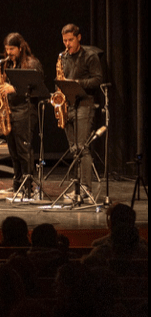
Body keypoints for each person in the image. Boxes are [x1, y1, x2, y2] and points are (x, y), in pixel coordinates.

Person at [58, 24, 103, 196]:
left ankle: (86, 187)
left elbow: (97, 79)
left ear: (79, 38)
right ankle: (77, 187)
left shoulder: (90, 56)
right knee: (73, 148)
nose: (67, 44)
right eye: (64, 40)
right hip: (68, 105)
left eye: (70, 40)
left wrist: (77, 83)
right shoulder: (63, 57)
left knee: (82, 147)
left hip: (85, 104)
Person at [0, 33, 43, 196]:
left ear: (20, 48)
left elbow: (37, 89)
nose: (8, 52)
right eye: (7, 49)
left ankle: (28, 186)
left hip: (26, 110)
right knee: (13, 151)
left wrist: (14, 88)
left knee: (24, 150)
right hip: (10, 110)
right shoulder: (7, 64)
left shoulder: (31, 63)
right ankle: (17, 185)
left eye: (12, 49)